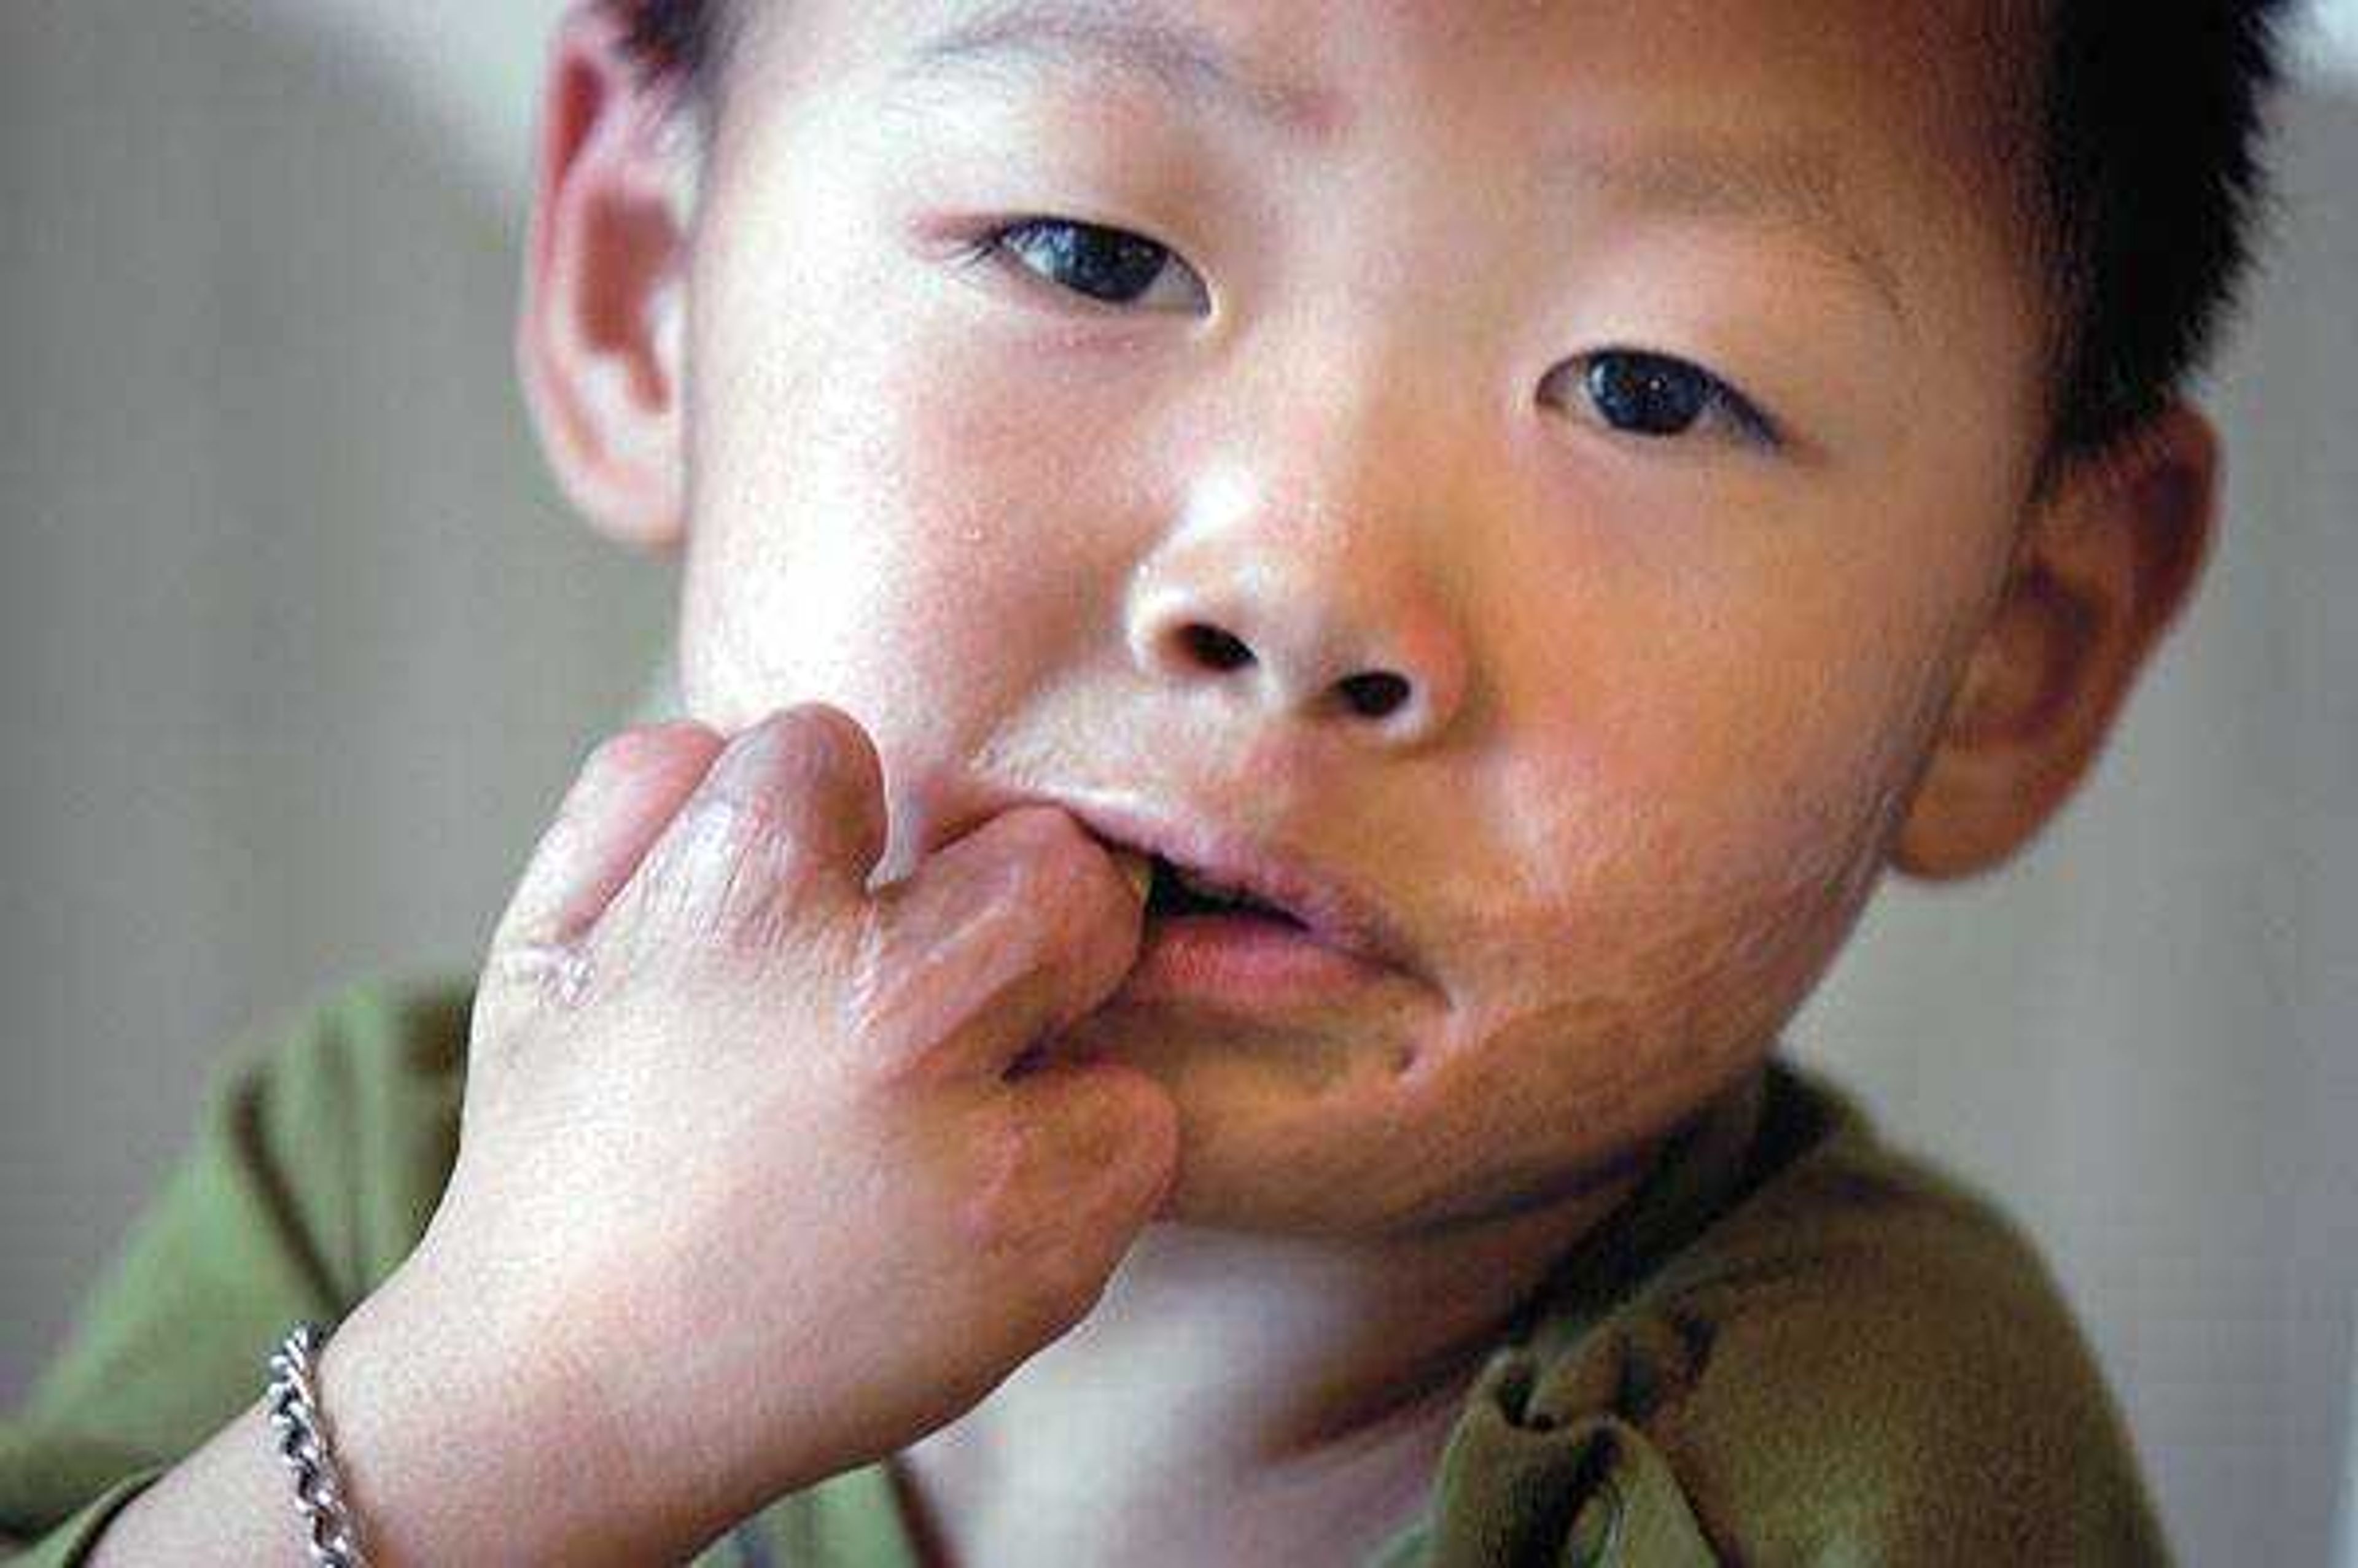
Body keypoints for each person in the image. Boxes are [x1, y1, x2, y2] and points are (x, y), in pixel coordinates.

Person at [0, 1, 2298, 1562]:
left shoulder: (1856, 1467)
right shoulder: (398, 1194)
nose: (1298, 591)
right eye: (1093, 250)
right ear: (643, 281)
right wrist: (505, 1414)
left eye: (1649, 391)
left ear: (2021, 642)